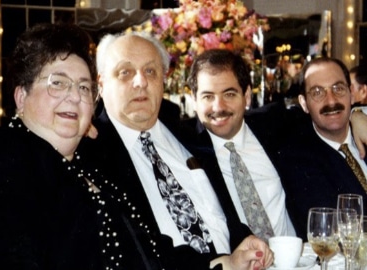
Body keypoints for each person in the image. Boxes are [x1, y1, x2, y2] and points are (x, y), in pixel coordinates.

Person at [91, 32, 273, 270]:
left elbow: (221, 215)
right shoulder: (92, 155)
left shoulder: (189, 137)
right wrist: (223, 264)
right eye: (125, 72)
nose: (140, 82)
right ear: (101, 84)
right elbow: (137, 250)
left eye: (150, 71)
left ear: (163, 82)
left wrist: (245, 240)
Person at [0, 23, 116, 269]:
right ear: (21, 98)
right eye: (58, 83)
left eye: (84, 87)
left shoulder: (93, 165)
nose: (75, 96)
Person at [184, 49, 296, 240]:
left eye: (229, 94)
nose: (218, 107)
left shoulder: (273, 126)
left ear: (247, 96)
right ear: (194, 100)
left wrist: (357, 115)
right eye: (208, 96)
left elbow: (325, 115)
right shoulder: (184, 145)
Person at [277, 57, 367, 241]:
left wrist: (358, 113)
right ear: (303, 103)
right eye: (317, 92)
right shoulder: (298, 161)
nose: (331, 100)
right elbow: (333, 233)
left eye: (338, 88)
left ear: (351, 93)